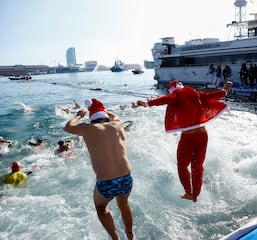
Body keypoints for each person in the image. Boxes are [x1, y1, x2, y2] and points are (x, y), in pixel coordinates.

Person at [133, 80, 233, 203]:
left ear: (172, 90)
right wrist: (225, 90)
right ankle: (195, 194)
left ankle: (188, 192)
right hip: (202, 134)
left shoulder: (176, 95)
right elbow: (211, 95)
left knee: (182, 165)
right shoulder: (194, 93)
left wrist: (147, 103)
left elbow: (165, 99)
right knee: (197, 166)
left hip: (188, 137)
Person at [64, 98, 135, 240]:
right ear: (105, 116)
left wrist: (78, 115)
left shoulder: (87, 128)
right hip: (126, 179)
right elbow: (115, 117)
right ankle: (130, 235)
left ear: (92, 118)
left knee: (101, 209)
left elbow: (68, 127)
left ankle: (116, 238)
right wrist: (105, 111)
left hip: (107, 183)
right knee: (123, 204)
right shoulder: (117, 125)